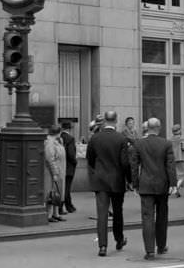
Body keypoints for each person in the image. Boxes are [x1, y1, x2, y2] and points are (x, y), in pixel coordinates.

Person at [130, 117, 177, 260]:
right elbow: (170, 165)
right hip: (162, 184)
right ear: (159, 128)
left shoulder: (139, 144)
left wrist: (135, 184)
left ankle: (149, 250)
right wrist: (173, 184)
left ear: (147, 128)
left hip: (145, 184)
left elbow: (134, 166)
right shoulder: (166, 144)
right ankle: (161, 246)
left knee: (147, 218)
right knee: (162, 217)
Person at [86, 110, 130, 257]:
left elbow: (90, 158)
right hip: (117, 179)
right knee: (118, 212)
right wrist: (129, 179)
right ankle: (119, 239)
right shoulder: (121, 139)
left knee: (102, 214)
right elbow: (125, 163)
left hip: (100, 179)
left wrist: (98, 170)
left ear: (104, 120)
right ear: (116, 121)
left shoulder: (95, 138)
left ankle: (102, 246)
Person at [44, 124, 66, 222]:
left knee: (57, 192)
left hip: (60, 170)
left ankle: (55, 213)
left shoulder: (57, 141)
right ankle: (49, 215)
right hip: (52, 172)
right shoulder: (49, 143)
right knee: (51, 193)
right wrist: (55, 172)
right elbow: (50, 158)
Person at [60, 121, 77, 213]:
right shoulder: (70, 138)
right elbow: (71, 154)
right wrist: (75, 162)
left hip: (60, 166)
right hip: (69, 166)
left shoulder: (59, 137)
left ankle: (69, 205)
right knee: (66, 188)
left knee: (61, 187)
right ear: (70, 128)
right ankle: (65, 206)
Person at [171, 123, 184, 197]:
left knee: (177, 174)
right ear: (179, 130)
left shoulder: (171, 139)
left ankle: (176, 191)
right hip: (181, 158)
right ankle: (176, 188)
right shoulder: (182, 138)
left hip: (173, 158)